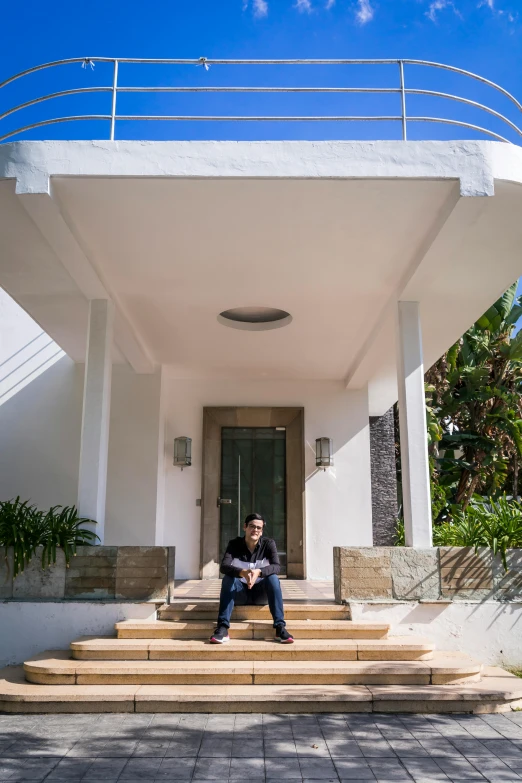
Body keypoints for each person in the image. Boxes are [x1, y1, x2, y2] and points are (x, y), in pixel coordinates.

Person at [210, 512, 294, 644]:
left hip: (261, 593)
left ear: (261, 531)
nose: (255, 530)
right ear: (245, 527)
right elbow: (224, 566)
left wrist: (258, 572)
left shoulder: (268, 544)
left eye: (258, 528)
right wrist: (242, 573)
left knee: (273, 578)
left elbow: (277, 567)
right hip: (239, 593)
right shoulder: (234, 544)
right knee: (228, 578)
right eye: (252, 526)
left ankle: (280, 627)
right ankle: (222, 628)